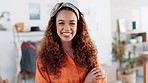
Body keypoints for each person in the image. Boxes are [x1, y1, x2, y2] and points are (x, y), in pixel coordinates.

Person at [35, 2, 107, 83]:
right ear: (54, 26)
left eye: (72, 23)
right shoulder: (44, 61)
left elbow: (101, 79)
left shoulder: (89, 53)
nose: (67, 28)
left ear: (78, 26)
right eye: (61, 23)